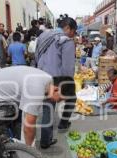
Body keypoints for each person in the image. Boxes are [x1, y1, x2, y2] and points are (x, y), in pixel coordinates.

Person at [0, 66, 75, 146]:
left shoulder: (48, 80)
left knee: (19, 128)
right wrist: (30, 154)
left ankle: (16, 147)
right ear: (57, 89)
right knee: (1, 132)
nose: (59, 102)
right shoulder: (36, 88)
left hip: (2, 89)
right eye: (61, 99)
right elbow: (29, 127)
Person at [35, 14, 77, 148]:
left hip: (41, 74)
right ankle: (63, 123)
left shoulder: (45, 36)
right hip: (56, 78)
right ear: (69, 28)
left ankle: (45, 140)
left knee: (47, 107)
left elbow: (36, 54)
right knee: (72, 98)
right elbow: (68, 67)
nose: (73, 35)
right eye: (74, 32)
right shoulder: (66, 41)